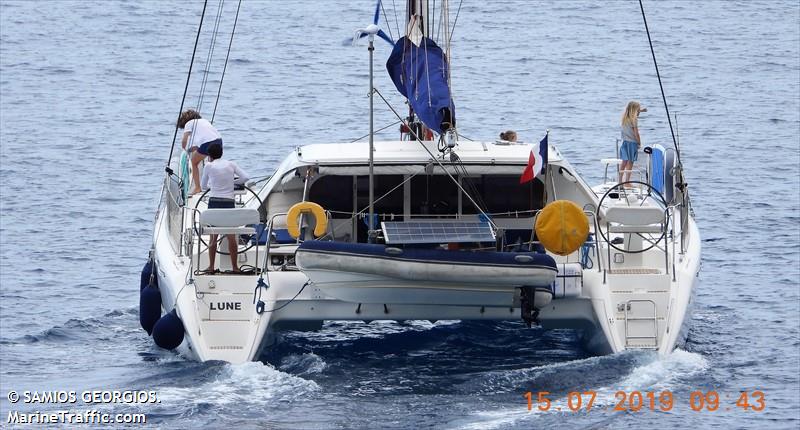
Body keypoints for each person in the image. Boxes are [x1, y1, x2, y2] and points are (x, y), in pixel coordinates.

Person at [200, 142, 249, 274]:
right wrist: (232, 183)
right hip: (228, 202)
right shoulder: (231, 164)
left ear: (209, 156)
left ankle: (211, 267)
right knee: (231, 236)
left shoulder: (209, 166)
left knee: (213, 236)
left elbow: (203, 186)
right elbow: (245, 177)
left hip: (214, 202)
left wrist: (214, 185)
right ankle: (235, 267)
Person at [177, 109, 222, 194]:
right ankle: (214, 185)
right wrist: (195, 148)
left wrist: (184, 149)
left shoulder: (189, 123)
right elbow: (203, 141)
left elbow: (184, 140)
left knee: (194, 163)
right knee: (213, 164)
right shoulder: (204, 121)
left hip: (208, 143)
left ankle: (198, 188)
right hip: (219, 141)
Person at [619, 101, 647, 185]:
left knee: (624, 162)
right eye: (638, 110)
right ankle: (627, 181)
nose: (639, 112)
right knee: (630, 163)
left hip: (625, 143)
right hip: (632, 143)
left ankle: (620, 180)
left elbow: (631, 109)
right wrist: (639, 142)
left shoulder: (624, 117)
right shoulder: (634, 119)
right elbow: (636, 133)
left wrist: (642, 110)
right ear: (635, 111)